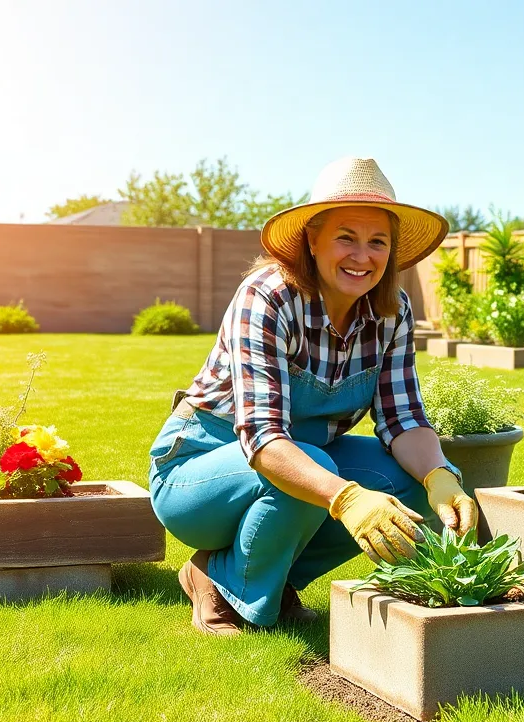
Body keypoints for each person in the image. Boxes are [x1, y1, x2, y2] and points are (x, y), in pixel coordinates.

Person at [148, 157, 479, 636]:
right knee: (316, 470)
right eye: (346, 237)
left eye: (377, 242)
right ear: (313, 240)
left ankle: (262, 577)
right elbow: (262, 438)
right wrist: (346, 499)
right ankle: (217, 582)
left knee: (408, 481)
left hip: (304, 457)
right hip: (199, 473)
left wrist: (439, 477)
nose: (362, 256)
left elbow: (404, 416)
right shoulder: (268, 296)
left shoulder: (392, 312)